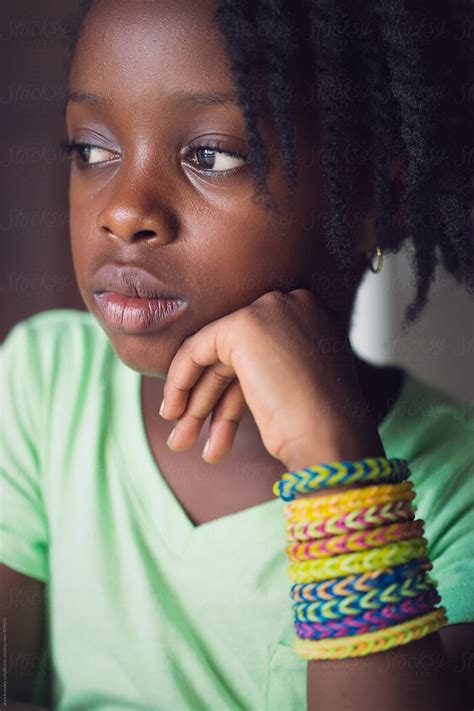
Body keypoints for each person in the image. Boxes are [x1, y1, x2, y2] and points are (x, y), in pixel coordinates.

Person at [1, 1, 473, 709]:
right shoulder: (43, 387)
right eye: (92, 150)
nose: (123, 211)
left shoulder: (455, 489)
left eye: (211, 155)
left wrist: (339, 473)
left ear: (383, 194)